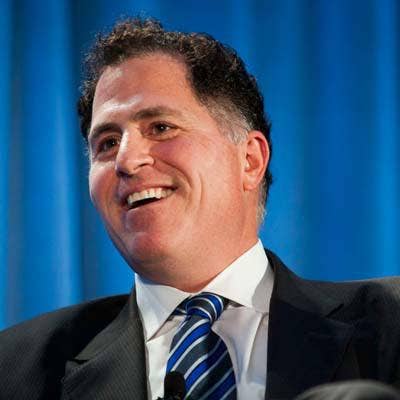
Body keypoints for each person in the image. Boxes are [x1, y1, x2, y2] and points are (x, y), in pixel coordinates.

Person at [1, 17, 400, 400]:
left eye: (160, 127)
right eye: (106, 143)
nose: (126, 160)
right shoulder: (16, 368)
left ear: (250, 161)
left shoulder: (389, 324)